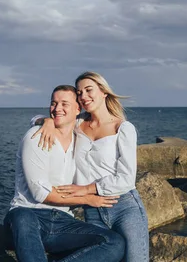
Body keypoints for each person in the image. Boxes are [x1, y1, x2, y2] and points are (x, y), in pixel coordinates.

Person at [31, 72, 149, 262]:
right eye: (79, 93)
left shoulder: (123, 128)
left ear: (103, 92)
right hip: (91, 209)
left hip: (124, 206)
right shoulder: (77, 124)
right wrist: (46, 122)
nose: (84, 96)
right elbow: (43, 117)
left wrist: (85, 189)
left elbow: (126, 178)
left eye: (88, 90)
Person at [4, 84, 125, 262]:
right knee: (22, 217)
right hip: (28, 216)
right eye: (53, 103)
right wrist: (87, 199)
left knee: (114, 242)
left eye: (64, 104)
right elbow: (41, 193)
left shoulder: (80, 138)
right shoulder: (36, 137)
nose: (57, 109)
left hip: (62, 221)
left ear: (78, 109)